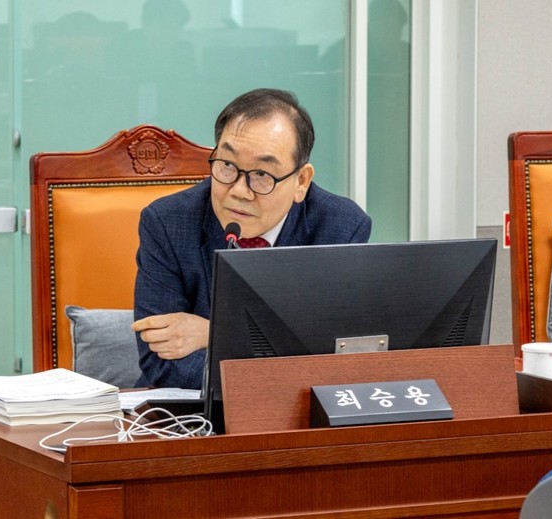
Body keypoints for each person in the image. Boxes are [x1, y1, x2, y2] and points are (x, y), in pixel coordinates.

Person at [132, 88, 372, 389]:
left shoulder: (340, 227)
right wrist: (276, 365)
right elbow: (161, 361)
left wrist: (216, 334)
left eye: (262, 174)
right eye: (227, 165)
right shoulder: (168, 222)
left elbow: (333, 356)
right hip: (185, 409)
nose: (238, 191)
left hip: (297, 412)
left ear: (301, 181)